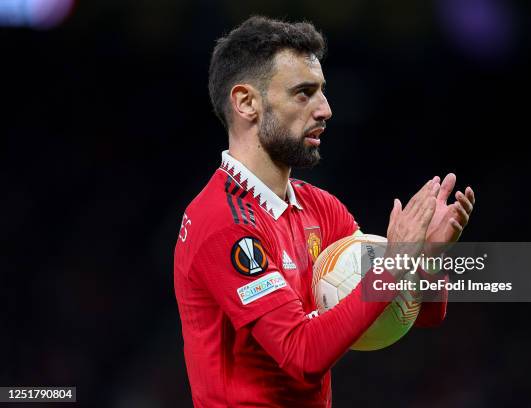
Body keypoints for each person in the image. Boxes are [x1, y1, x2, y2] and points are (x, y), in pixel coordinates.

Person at [174, 16, 475, 408]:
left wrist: (427, 261)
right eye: (304, 93)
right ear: (246, 102)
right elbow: (301, 354)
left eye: (322, 92)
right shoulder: (224, 224)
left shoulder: (320, 208)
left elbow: (411, 314)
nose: (326, 109)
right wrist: (395, 259)